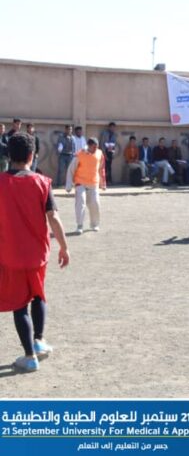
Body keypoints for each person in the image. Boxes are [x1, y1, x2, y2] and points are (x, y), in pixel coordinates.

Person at [0, 133, 69, 372]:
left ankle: (29, 356)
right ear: (32, 155)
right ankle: (39, 342)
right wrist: (64, 247)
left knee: (20, 304)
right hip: (38, 254)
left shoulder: (1, 182)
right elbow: (54, 218)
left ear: (8, 155)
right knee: (38, 295)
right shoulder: (42, 182)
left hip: (10, 254)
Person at [66, 137, 106, 235]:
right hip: (80, 182)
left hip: (94, 183)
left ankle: (94, 224)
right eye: (93, 147)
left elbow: (101, 168)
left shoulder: (100, 153)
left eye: (97, 147)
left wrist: (103, 182)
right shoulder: (79, 154)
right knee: (81, 202)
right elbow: (71, 169)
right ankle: (79, 226)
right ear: (88, 146)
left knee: (95, 203)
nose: (95, 149)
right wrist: (69, 185)